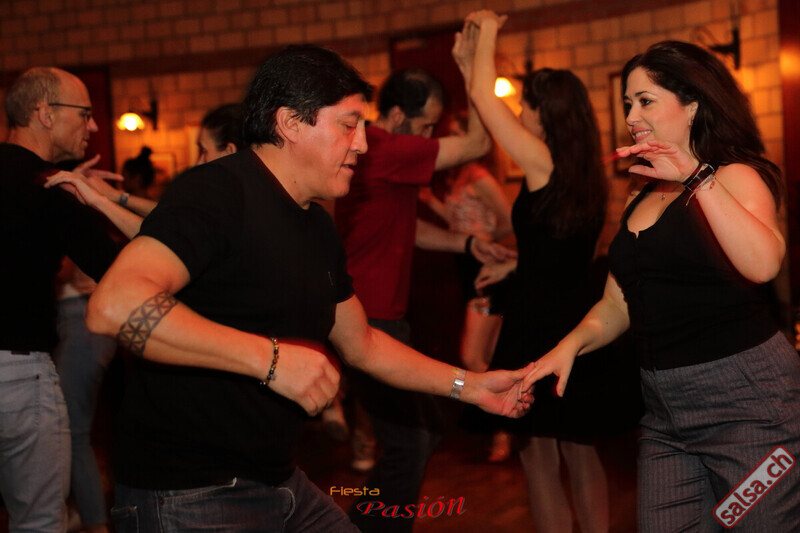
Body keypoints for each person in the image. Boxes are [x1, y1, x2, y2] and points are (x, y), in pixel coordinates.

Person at [83, 44, 533, 532]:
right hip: (188, 492)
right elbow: (114, 305)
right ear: (290, 123)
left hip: (276, 479)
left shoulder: (315, 224)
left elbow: (363, 343)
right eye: (348, 125)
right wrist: (271, 359)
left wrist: (472, 387)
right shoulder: (217, 191)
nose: (363, 144)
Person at [526, 40, 800, 532]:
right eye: (627, 103)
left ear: (692, 105)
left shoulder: (735, 177)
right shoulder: (641, 191)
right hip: (664, 413)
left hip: (751, 406)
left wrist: (695, 176)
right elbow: (618, 302)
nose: (631, 115)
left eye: (645, 101)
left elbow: (763, 265)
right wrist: (571, 344)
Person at [334, 65, 515, 532]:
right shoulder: (385, 146)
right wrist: (476, 66)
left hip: (381, 317)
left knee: (423, 432)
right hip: (370, 319)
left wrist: (467, 244)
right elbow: (476, 144)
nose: (430, 137)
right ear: (398, 115)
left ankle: (360, 525)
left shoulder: (381, 153)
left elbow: (406, 229)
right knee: (411, 442)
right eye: (427, 125)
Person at [456, 11, 611, 532]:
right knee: (580, 452)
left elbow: (484, 99)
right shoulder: (580, 169)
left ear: (545, 115)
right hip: (575, 317)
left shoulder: (542, 161)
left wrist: (487, 30)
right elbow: (565, 251)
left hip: (540, 324)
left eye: (525, 105)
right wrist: (516, 266)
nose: (519, 113)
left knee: (539, 454)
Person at [0, 67, 131, 533]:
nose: (92, 126)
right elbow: (120, 273)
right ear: (45, 113)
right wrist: (102, 202)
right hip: (17, 377)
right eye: (84, 113)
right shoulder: (48, 187)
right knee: (38, 521)